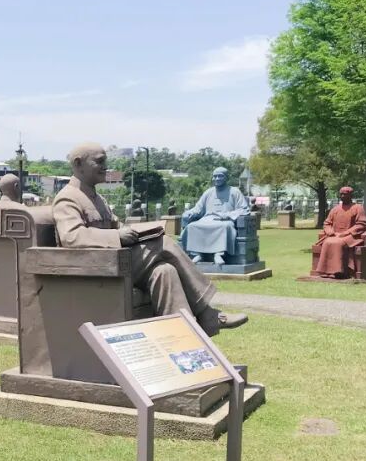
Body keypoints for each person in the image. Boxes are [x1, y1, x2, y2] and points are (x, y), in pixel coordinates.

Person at [52, 142, 247, 336]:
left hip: (116, 263)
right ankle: (206, 313)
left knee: (165, 271)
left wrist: (137, 231)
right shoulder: (68, 198)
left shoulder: (98, 198)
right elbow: (72, 236)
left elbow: (116, 225)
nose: (105, 166)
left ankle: (183, 338)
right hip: (96, 269)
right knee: (163, 244)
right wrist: (117, 236)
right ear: (78, 164)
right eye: (99, 161)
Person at [180, 168, 250, 265]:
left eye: (220, 176)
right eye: (215, 176)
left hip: (225, 220)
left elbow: (244, 209)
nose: (217, 178)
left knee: (225, 227)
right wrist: (189, 213)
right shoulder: (208, 192)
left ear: (226, 178)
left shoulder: (234, 191)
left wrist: (227, 215)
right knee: (192, 226)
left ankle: (219, 254)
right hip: (207, 219)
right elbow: (198, 208)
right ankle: (197, 254)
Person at [312, 186, 366, 278]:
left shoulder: (358, 208)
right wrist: (330, 232)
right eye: (341, 194)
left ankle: (340, 271)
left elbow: (362, 224)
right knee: (327, 242)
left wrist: (347, 232)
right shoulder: (335, 209)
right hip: (334, 235)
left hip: (351, 236)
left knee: (338, 243)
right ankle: (325, 270)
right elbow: (327, 223)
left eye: (345, 194)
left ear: (350, 196)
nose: (342, 196)